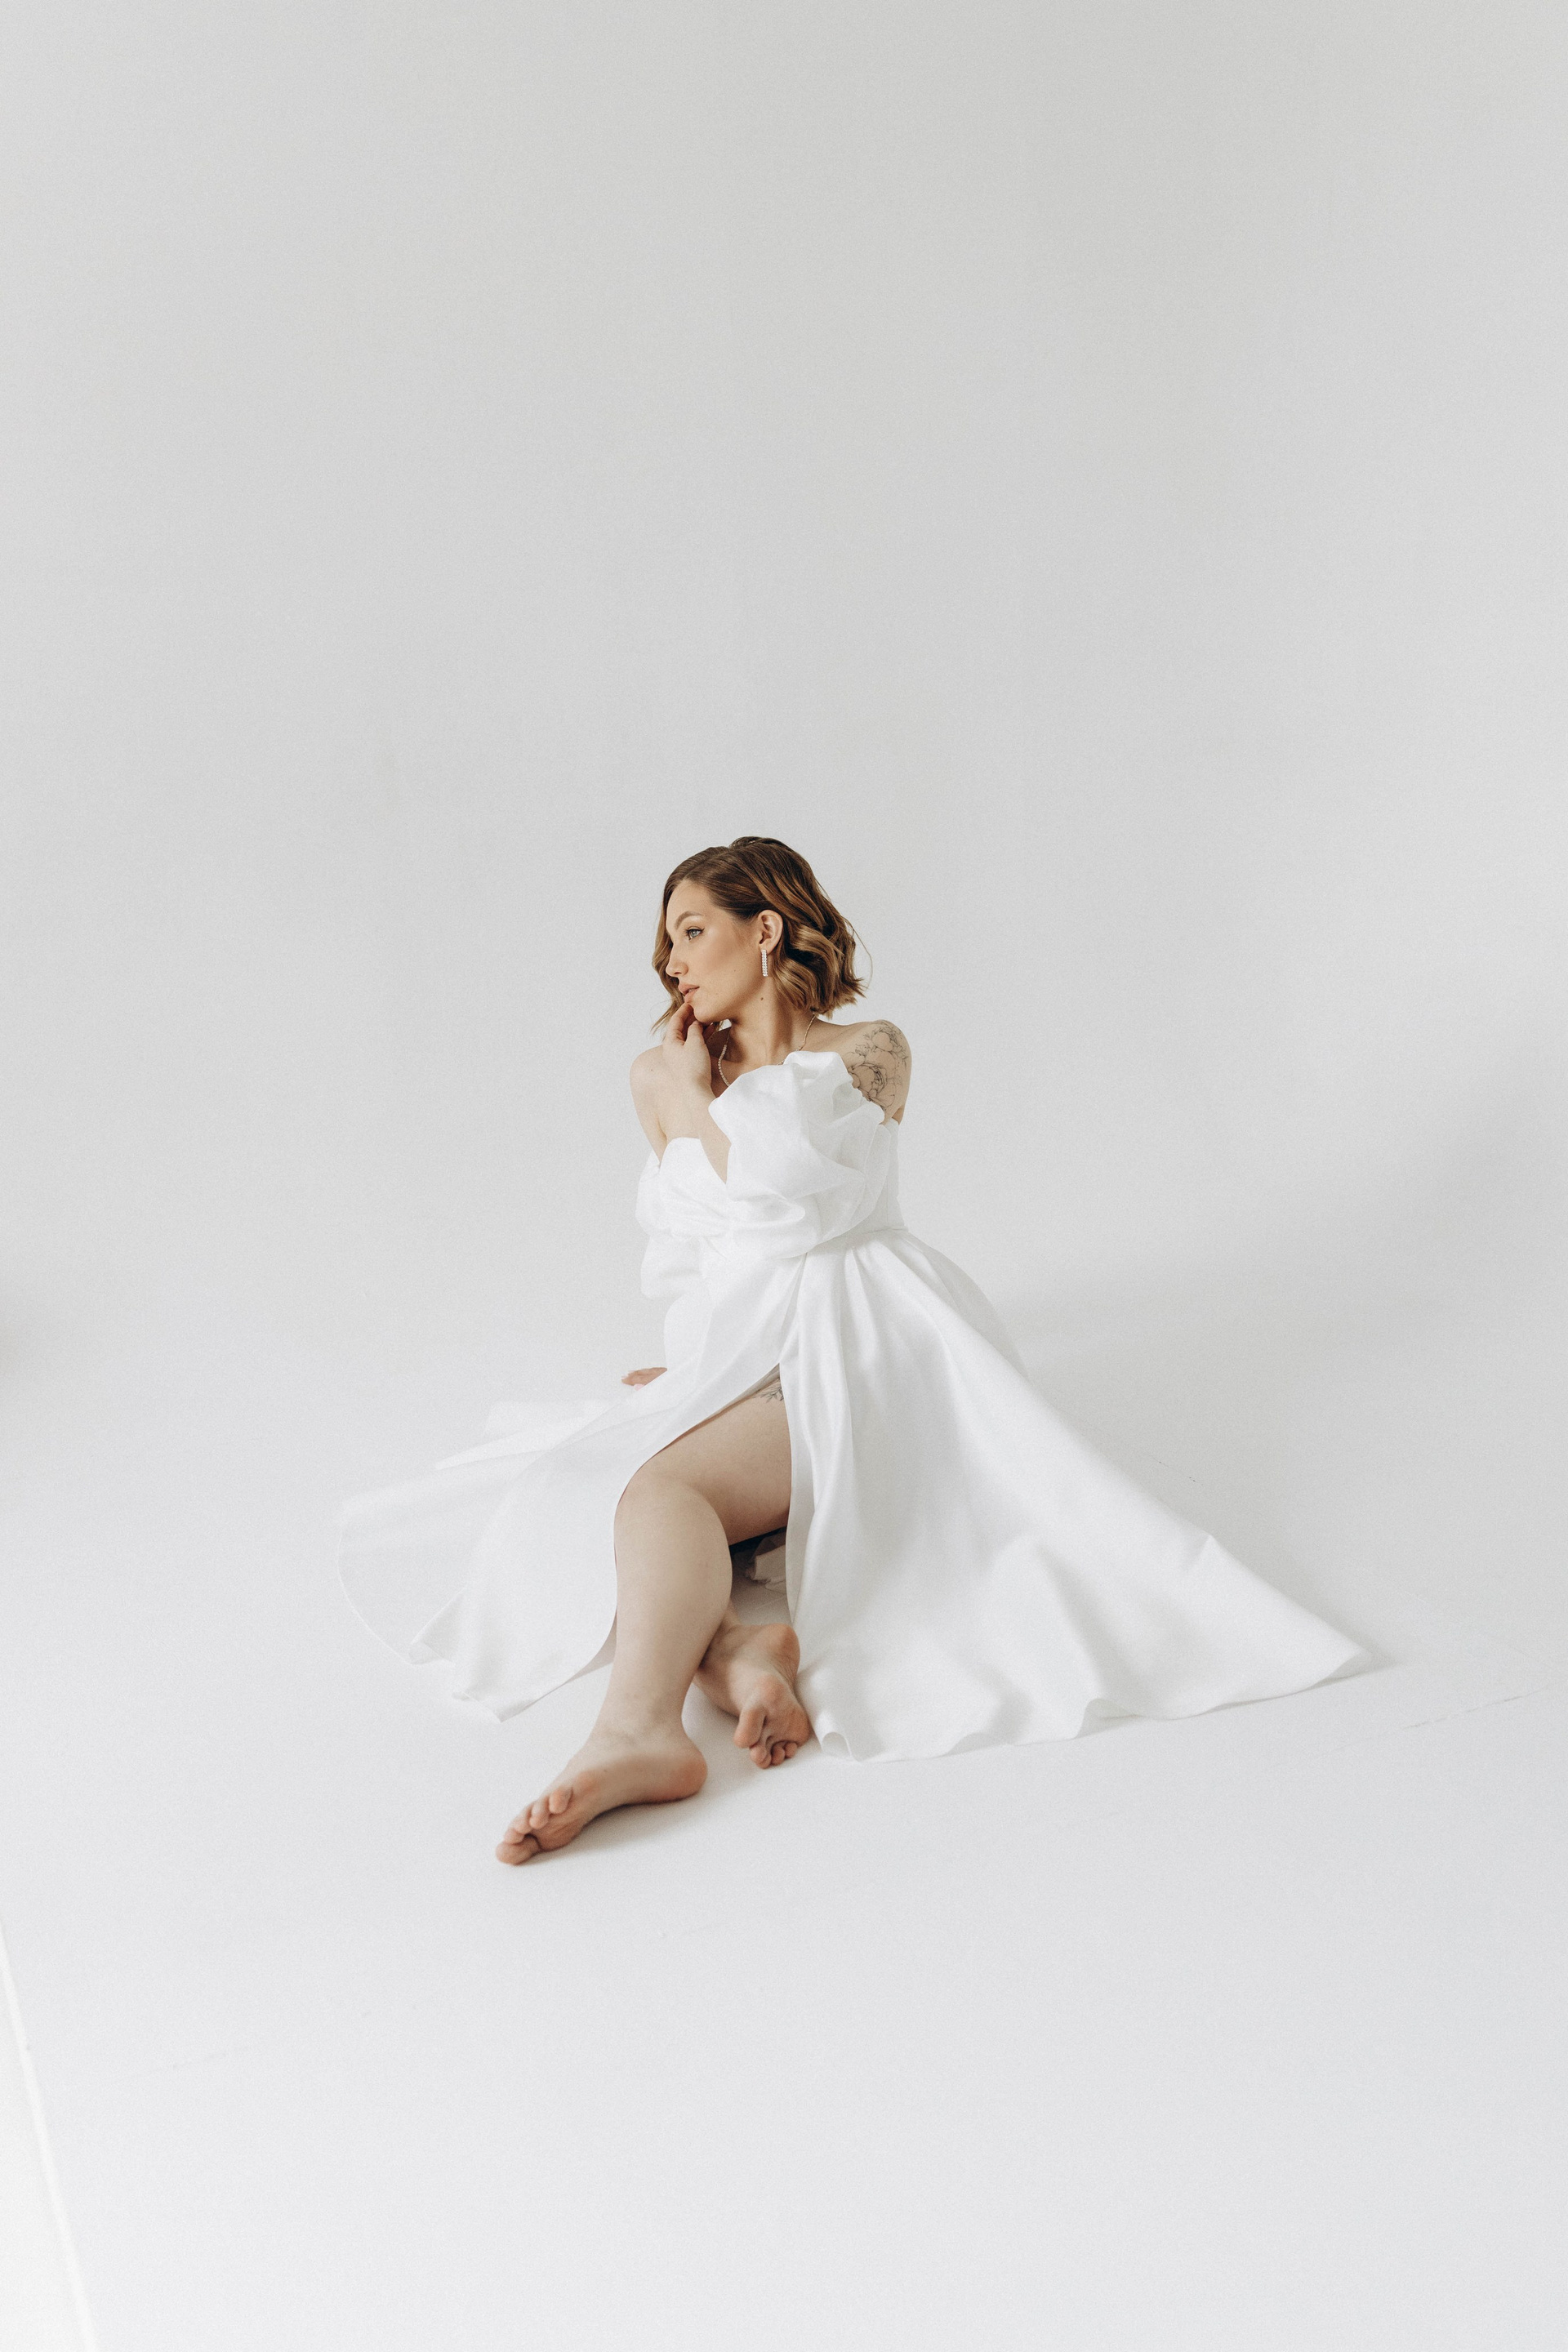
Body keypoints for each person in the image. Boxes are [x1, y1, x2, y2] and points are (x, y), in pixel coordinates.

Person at [339, 835, 1366, 1864]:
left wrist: (700, 1101)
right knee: (585, 1483)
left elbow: (792, 1209)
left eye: (692, 931)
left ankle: (638, 1731)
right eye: (666, 944)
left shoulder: (867, 1051)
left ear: (766, 928)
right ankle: (738, 1653)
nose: (671, 962)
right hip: (747, 1345)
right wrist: (698, 1365)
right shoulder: (656, 1075)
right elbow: (697, 1253)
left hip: (868, 1332)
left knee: (659, 1495)